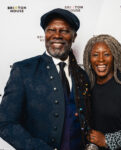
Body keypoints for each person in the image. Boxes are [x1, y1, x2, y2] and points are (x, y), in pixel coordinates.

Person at [0, 8, 91, 150]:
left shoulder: (82, 75)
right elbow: (5, 123)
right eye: (51, 30)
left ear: (74, 37)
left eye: (64, 31)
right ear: (45, 34)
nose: (57, 35)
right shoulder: (24, 70)